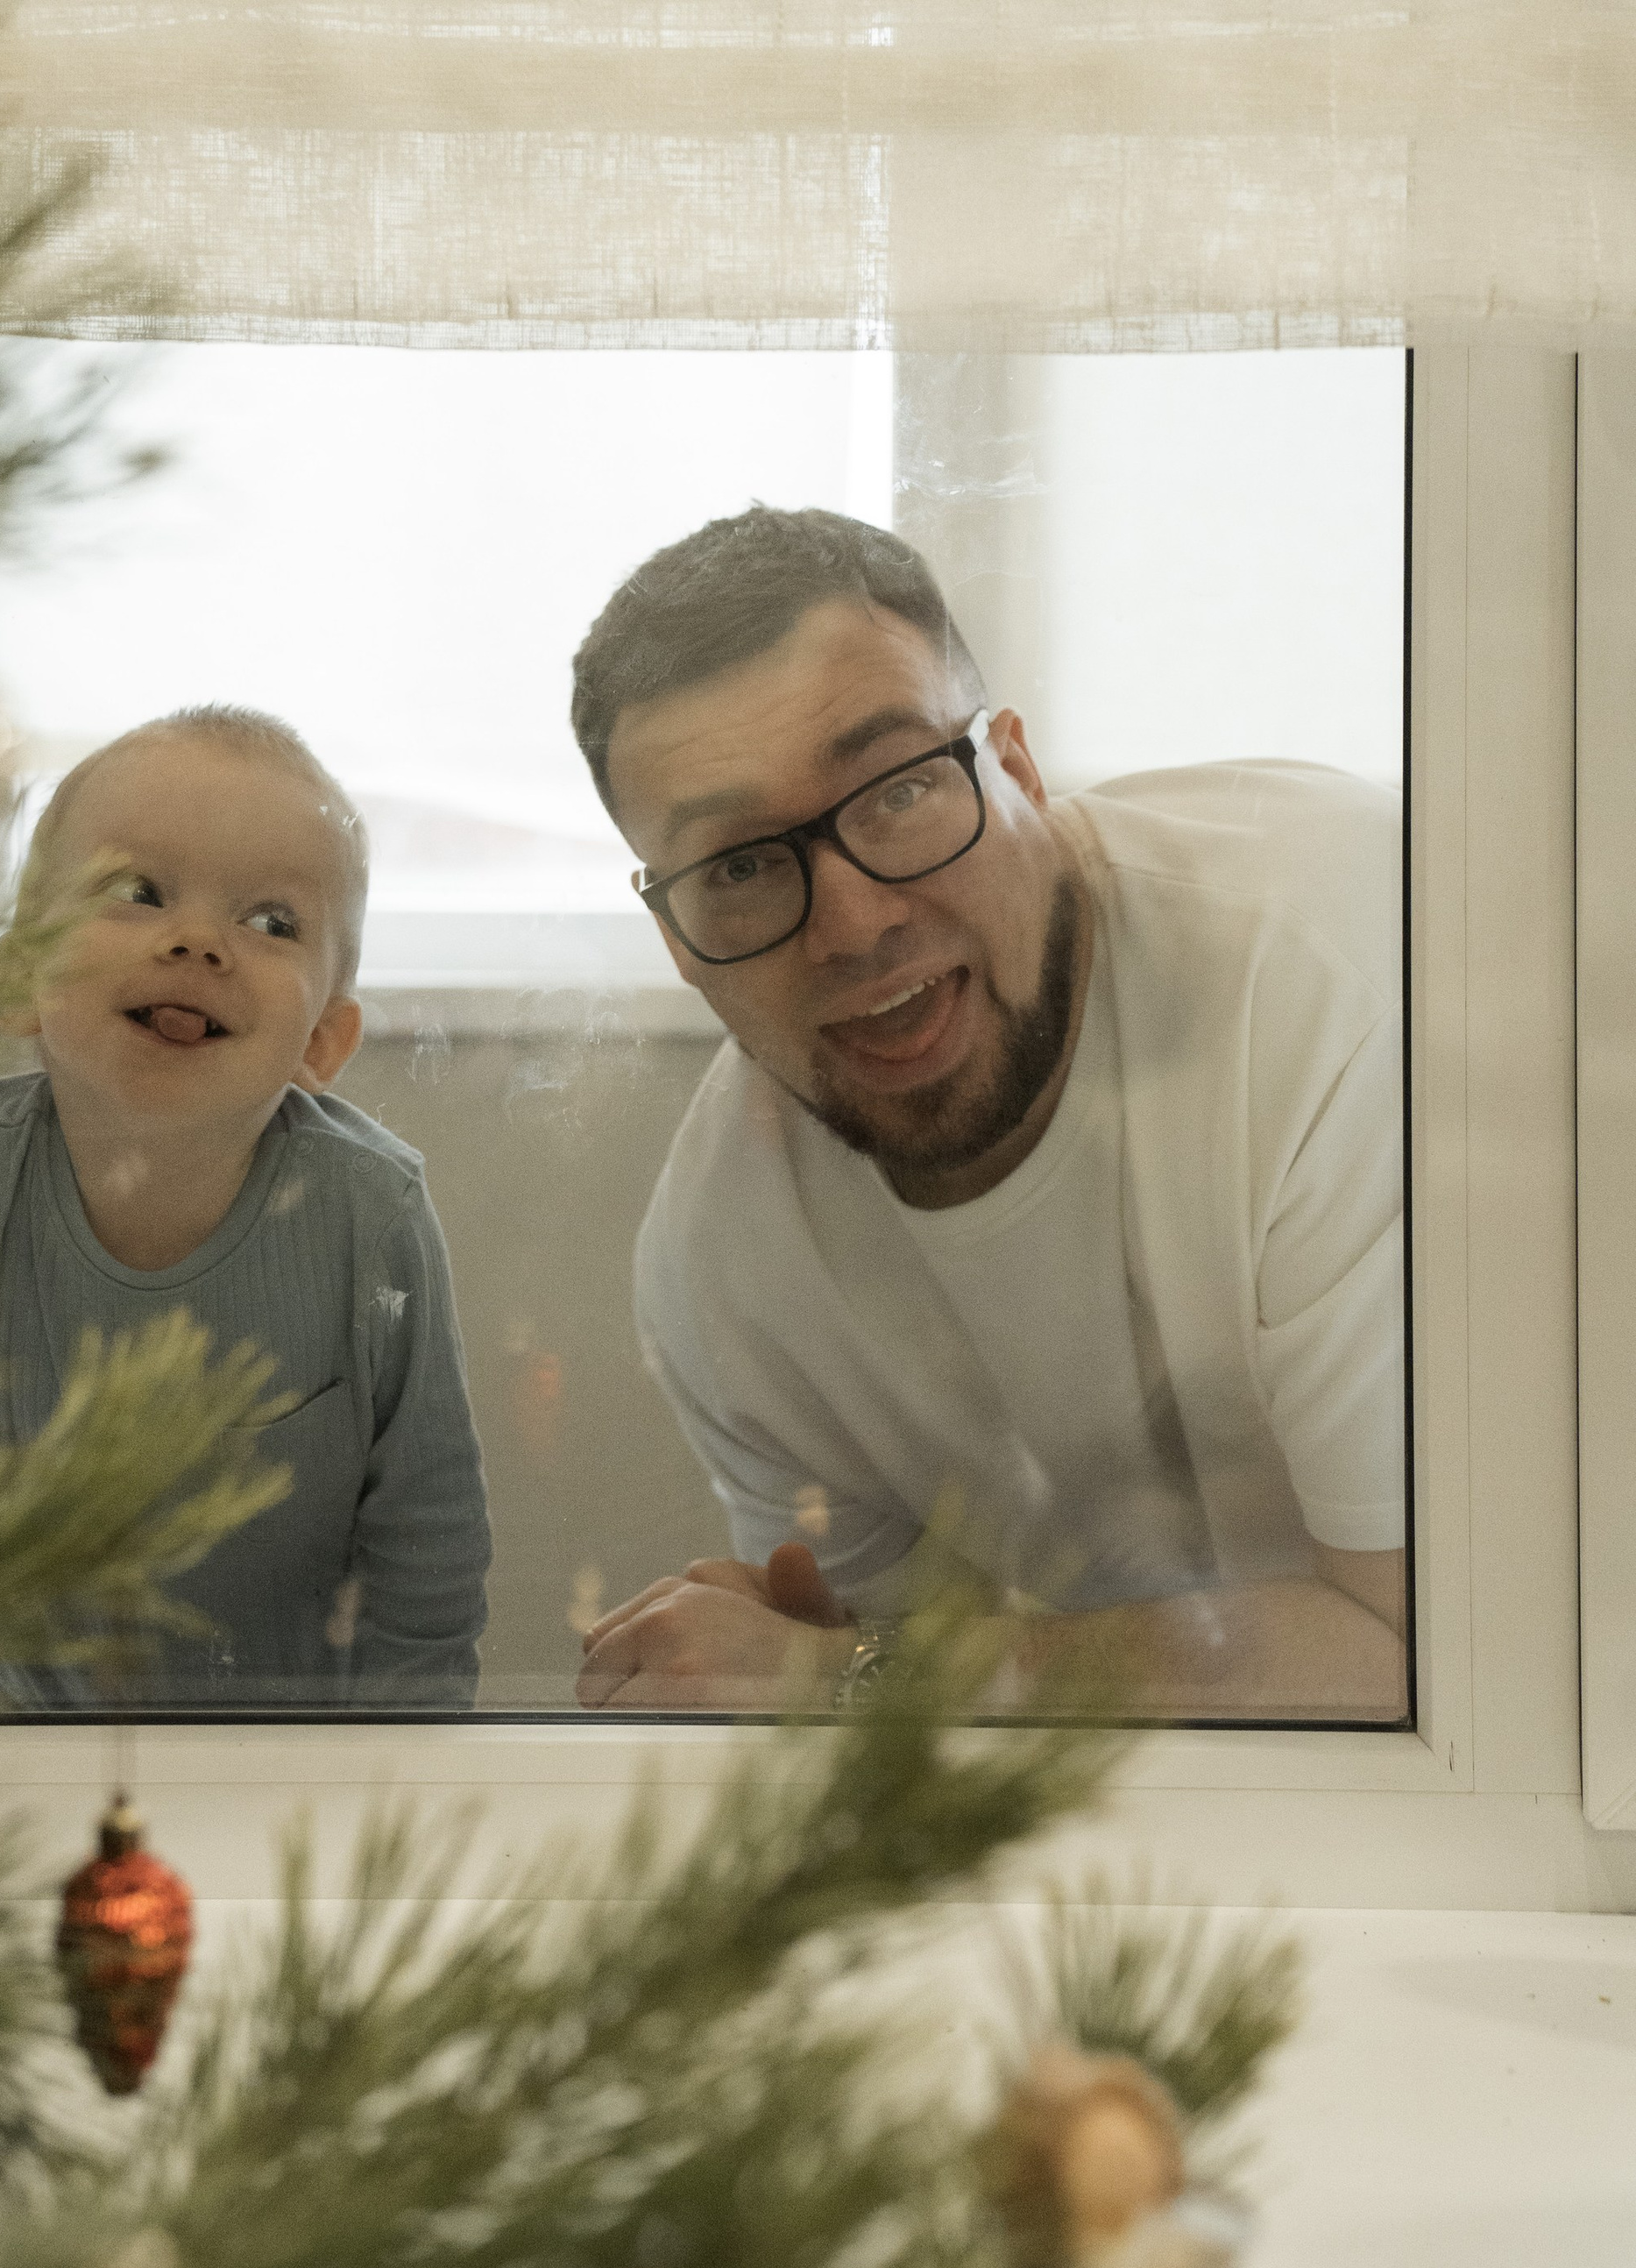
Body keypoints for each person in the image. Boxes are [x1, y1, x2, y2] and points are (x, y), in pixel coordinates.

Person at [566, 508, 1406, 1722]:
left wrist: (853, 1676)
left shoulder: (1328, 973)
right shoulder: (721, 1270)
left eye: (899, 790)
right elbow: (933, 1721)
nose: (854, 924)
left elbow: (1424, 1656)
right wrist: (847, 1668)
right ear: (675, 940)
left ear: (1016, 770)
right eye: (741, 867)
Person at [0, 705, 492, 1707]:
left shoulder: (369, 1216)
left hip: (297, 1749)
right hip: (41, 1743)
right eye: (137, 891)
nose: (199, 941)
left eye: (270, 923)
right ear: (17, 976)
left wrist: (398, 1772)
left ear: (322, 1046)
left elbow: (425, 1550)